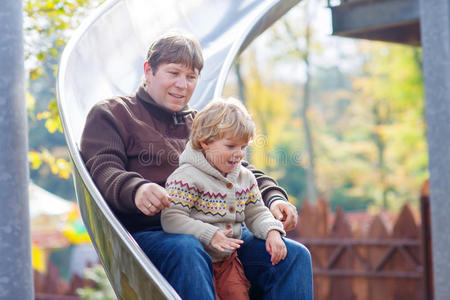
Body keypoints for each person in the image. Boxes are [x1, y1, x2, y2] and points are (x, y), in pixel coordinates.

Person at [80, 31, 313, 299]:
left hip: (219, 227)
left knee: (293, 256)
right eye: (174, 73)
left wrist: (273, 198)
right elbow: (102, 168)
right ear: (149, 70)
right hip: (155, 234)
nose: (183, 84)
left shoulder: (201, 122)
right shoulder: (114, 113)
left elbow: (240, 170)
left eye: (191, 77)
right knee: (188, 247)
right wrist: (136, 189)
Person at [162, 98, 287, 300]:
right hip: (197, 260)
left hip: (228, 262)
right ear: (205, 143)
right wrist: (210, 234)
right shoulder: (186, 177)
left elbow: (256, 211)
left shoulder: (244, 177)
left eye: (243, 147)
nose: (238, 154)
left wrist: (272, 231)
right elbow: (172, 218)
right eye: (230, 146)